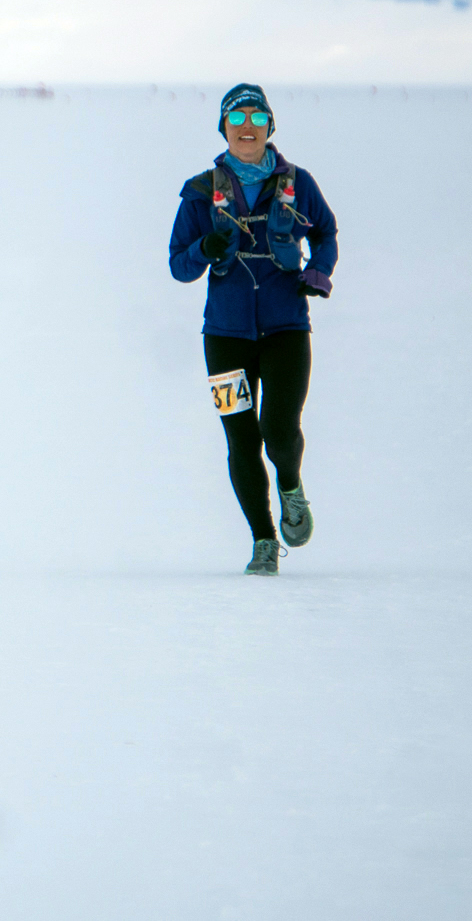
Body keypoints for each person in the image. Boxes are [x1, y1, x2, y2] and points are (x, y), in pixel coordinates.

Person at [167, 84, 338, 575]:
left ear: (270, 127)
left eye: (257, 118)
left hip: (287, 329)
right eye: (237, 118)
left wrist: (320, 270)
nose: (247, 127)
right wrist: (206, 248)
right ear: (223, 128)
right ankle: (264, 542)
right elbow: (179, 266)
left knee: (278, 430)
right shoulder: (200, 193)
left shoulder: (298, 183)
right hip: (223, 336)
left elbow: (325, 231)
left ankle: (290, 484)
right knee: (241, 440)